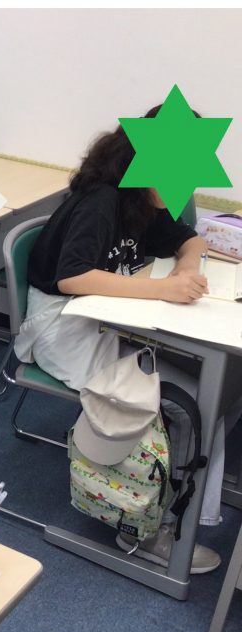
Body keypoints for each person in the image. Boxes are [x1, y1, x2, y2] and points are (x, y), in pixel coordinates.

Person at [14, 106, 242, 572]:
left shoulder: (145, 199)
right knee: (187, 399)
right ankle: (149, 529)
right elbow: (73, 277)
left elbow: (191, 240)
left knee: (213, 382)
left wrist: (184, 267)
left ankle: (186, 490)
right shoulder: (103, 200)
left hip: (111, 320)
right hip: (63, 326)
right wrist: (163, 290)